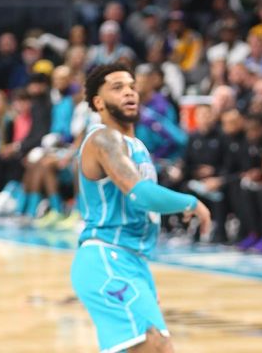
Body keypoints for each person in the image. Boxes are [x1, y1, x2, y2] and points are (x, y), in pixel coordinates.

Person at [70, 63, 210, 352]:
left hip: (132, 261)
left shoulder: (137, 146)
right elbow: (141, 194)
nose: (129, 92)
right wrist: (191, 202)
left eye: (132, 86)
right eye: (117, 87)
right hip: (107, 257)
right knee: (157, 347)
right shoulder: (103, 138)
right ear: (98, 102)